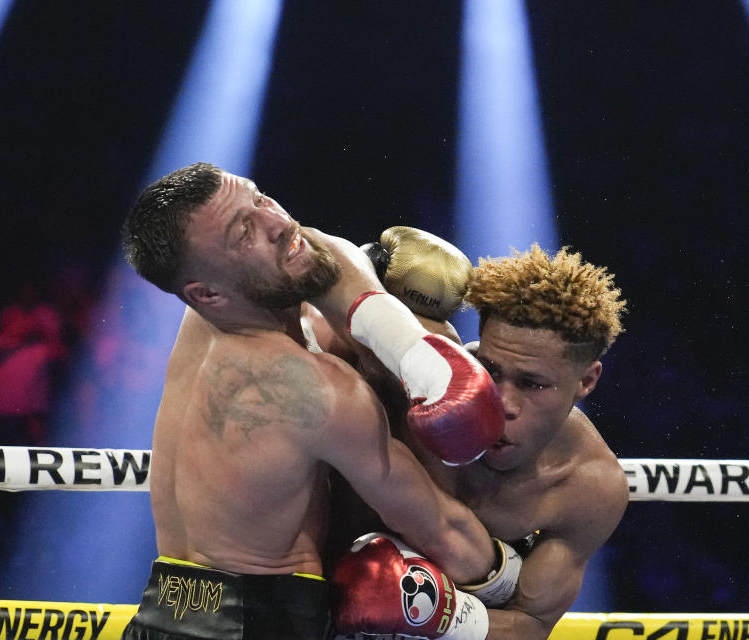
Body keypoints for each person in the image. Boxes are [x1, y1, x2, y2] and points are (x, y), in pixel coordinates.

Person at [119, 163, 508, 640]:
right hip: (263, 624)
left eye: (260, 198)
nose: (279, 222)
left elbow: (321, 252)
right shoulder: (314, 392)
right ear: (208, 293)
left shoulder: (202, 317)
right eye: (244, 232)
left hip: (161, 613)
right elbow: (440, 527)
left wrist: (410, 349)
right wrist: (507, 584)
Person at [331, 236, 629, 640]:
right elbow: (324, 270)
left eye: (533, 384)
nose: (502, 401)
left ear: (586, 380)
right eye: (490, 369)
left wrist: (444, 615)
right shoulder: (413, 370)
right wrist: (370, 261)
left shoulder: (586, 486)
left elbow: (532, 623)